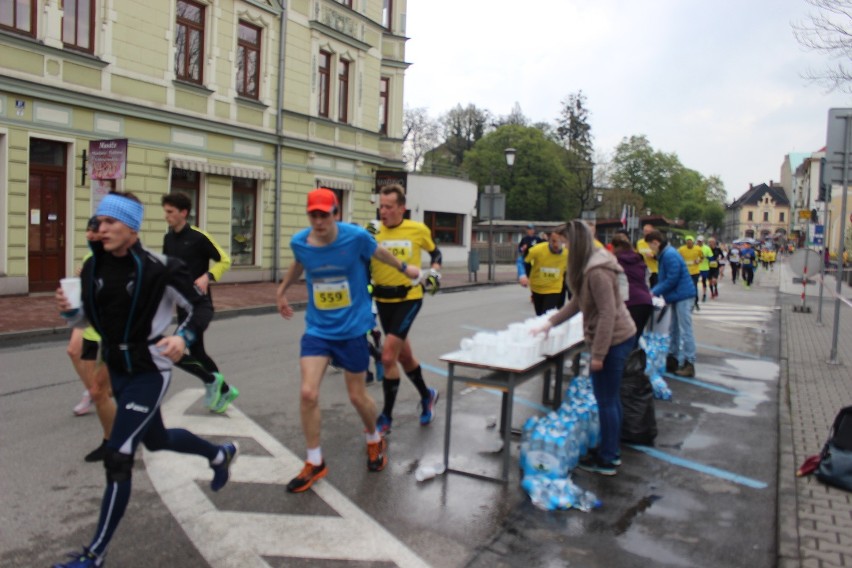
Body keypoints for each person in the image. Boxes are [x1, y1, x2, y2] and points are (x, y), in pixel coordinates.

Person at [53, 192, 237, 568]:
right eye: (99, 222)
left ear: (131, 228)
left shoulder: (160, 268)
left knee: (119, 456)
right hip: (117, 368)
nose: (101, 229)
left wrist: (181, 338)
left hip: (150, 372)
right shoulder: (93, 268)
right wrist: (71, 311)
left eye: (110, 223)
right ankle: (219, 455)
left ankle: (95, 554)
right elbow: (86, 321)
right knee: (158, 439)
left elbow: (200, 306)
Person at [276, 188, 420, 493]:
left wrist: (405, 268)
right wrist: (282, 290)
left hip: (352, 328)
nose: (318, 221)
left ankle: (373, 437)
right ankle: (315, 461)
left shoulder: (355, 237)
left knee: (357, 397)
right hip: (318, 329)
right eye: (313, 215)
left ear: (335, 213)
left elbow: (378, 252)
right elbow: (299, 262)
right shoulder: (300, 242)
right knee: (307, 392)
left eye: (324, 215)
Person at [532, 220, 636, 476]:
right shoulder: (591, 265)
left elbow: (607, 314)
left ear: (576, 244)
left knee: (606, 400)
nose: (564, 248)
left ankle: (609, 459)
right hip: (615, 338)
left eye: (566, 243)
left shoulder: (598, 271)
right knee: (609, 399)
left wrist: (598, 355)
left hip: (615, 339)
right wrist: (550, 323)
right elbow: (578, 302)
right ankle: (611, 449)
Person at [370, 184, 441, 434]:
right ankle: (427, 394)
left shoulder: (417, 229)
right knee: (404, 356)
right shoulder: (372, 230)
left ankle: (386, 416)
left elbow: (436, 253)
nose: (384, 211)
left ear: (402, 208)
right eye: (381, 206)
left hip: (409, 298)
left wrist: (434, 273)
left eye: (389, 207)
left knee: (388, 356)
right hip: (382, 300)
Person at [161, 192, 240, 413]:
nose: (166, 216)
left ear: (183, 213)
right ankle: (223, 389)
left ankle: (215, 383)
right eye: (165, 211)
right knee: (197, 353)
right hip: (182, 306)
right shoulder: (168, 239)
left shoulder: (198, 237)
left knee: (174, 351)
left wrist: (208, 276)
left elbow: (224, 259)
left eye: (170, 212)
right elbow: (168, 270)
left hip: (200, 306)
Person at [67, 216, 116, 462]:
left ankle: (116, 439)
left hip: (112, 334)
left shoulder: (119, 260)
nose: (89, 235)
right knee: (97, 389)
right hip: (88, 327)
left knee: (104, 389)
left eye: (94, 231)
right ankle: (112, 439)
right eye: (87, 230)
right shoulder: (89, 260)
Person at [646, 229, 697, 378]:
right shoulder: (666, 254)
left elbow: (672, 279)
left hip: (683, 295)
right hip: (677, 295)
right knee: (674, 328)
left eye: (650, 245)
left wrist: (653, 292)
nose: (650, 249)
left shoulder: (669, 255)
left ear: (656, 243)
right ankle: (673, 359)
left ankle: (689, 362)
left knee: (685, 329)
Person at [611, 234, 653, 348]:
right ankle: (634, 363)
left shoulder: (616, 262)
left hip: (631, 302)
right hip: (646, 301)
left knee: (625, 341)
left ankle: (628, 364)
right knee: (636, 338)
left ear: (615, 247)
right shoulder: (639, 259)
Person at [518, 229, 568, 315]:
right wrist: (522, 275)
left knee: (546, 315)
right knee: (540, 315)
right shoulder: (537, 250)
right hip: (537, 288)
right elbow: (521, 261)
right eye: (553, 241)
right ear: (549, 240)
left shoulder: (568, 253)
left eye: (560, 242)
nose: (556, 245)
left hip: (554, 288)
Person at [677, 236, 703, 311]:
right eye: (688, 242)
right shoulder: (681, 249)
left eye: (691, 242)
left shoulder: (697, 249)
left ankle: (695, 302)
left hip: (695, 271)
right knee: (685, 287)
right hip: (685, 272)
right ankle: (686, 302)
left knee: (694, 287)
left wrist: (698, 261)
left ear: (693, 242)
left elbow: (702, 257)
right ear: (686, 243)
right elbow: (676, 257)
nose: (689, 244)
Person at [636, 224, 659, 288]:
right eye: (645, 231)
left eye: (648, 231)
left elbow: (660, 257)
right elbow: (637, 255)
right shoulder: (639, 242)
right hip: (643, 270)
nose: (646, 233)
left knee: (654, 291)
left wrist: (653, 256)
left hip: (654, 271)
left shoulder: (655, 242)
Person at [696, 236, 713, 303]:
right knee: (695, 282)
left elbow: (711, 258)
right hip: (696, 268)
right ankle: (695, 295)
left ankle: (704, 294)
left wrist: (706, 257)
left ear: (703, 241)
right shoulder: (695, 248)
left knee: (703, 282)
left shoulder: (707, 248)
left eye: (700, 241)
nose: (699, 242)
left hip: (705, 268)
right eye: (698, 241)